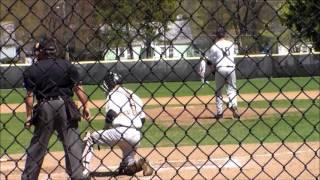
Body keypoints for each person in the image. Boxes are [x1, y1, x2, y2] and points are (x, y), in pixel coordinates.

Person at [22, 35, 91, 180]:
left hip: (44, 106)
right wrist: (86, 106)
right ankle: (78, 175)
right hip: (66, 105)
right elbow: (78, 89)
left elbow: (29, 96)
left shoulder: (32, 70)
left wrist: (29, 116)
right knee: (72, 141)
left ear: (42, 51)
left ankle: (29, 177)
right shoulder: (67, 65)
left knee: (38, 144)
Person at [82, 72, 153, 177]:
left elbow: (111, 114)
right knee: (125, 168)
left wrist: (106, 128)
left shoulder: (113, 94)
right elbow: (142, 120)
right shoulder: (134, 95)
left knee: (90, 138)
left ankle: (83, 170)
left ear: (109, 83)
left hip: (120, 132)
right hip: (136, 135)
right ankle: (140, 163)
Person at [206, 27, 240, 120]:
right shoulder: (231, 44)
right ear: (225, 34)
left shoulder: (214, 46)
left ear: (216, 35)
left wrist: (212, 70)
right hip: (231, 68)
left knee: (218, 92)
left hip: (220, 68)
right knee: (232, 90)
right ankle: (234, 106)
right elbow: (234, 54)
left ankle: (220, 113)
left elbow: (209, 61)